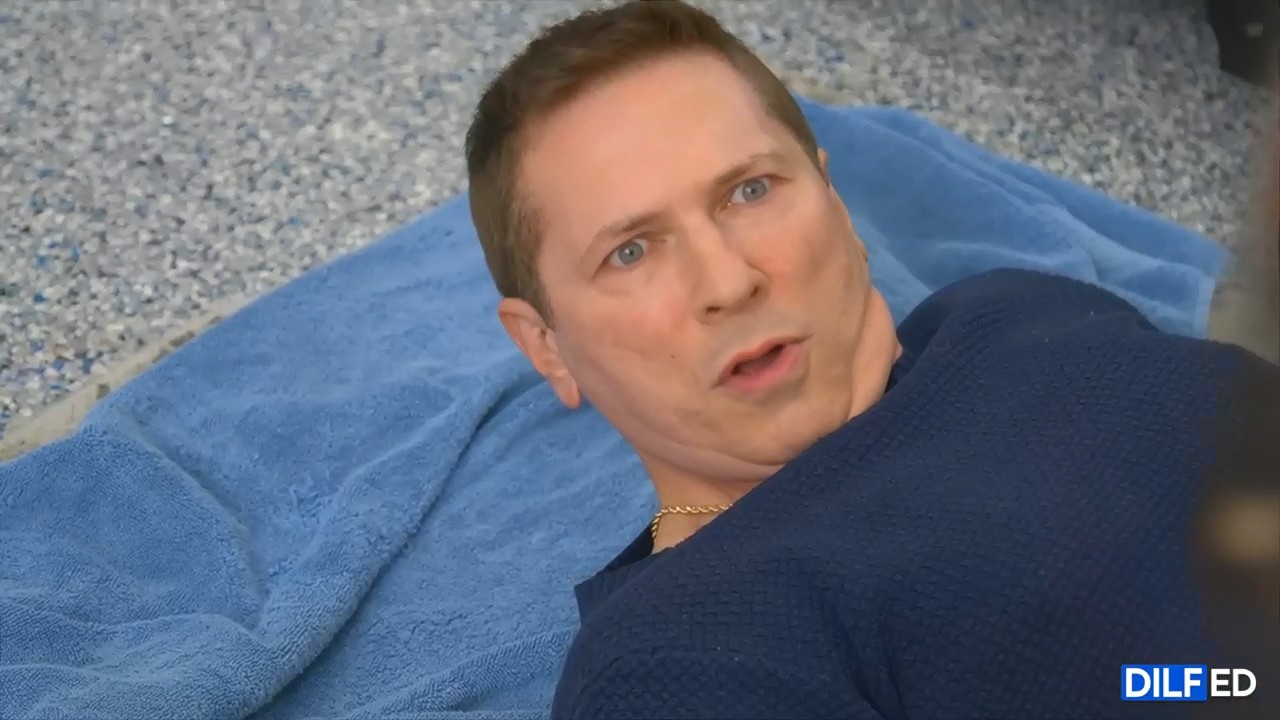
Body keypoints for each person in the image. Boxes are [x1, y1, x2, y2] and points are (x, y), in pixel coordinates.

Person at [463, 2, 1279, 718]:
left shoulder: (1011, 306)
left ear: (837, 205)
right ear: (546, 347)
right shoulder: (678, 655)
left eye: (750, 191)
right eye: (632, 251)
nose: (729, 282)